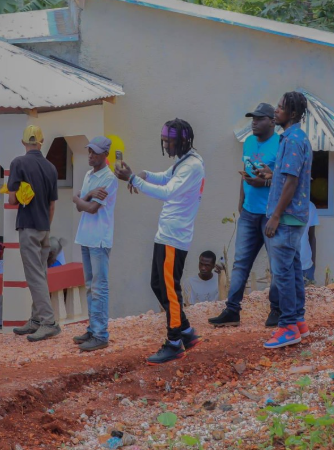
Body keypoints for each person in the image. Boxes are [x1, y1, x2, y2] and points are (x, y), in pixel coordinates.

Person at [115, 119, 205, 365]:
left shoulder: (192, 166)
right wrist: (144, 175)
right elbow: (165, 177)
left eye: (169, 141)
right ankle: (186, 331)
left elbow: (167, 191)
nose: (166, 145)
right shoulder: (184, 161)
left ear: (183, 140)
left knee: (169, 290)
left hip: (174, 237)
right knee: (158, 285)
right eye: (164, 140)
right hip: (166, 234)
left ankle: (175, 342)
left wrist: (133, 180)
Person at [209, 103, 281, 328]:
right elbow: (245, 171)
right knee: (240, 263)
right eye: (252, 118)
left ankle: (277, 310)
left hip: (270, 215)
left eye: (259, 119)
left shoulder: (281, 144)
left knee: (276, 265)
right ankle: (232, 311)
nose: (254, 122)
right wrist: (240, 201)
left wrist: (265, 182)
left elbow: (287, 180)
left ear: (272, 121)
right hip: (249, 213)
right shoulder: (249, 142)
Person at [263, 92, 313, 350]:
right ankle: (299, 322)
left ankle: (288, 327)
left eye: (281, 107)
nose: (276, 110)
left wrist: (275, 216)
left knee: (282, 273)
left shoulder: (293, 140)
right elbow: (288, 177)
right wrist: (272, 174)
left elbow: (292, 182)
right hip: (293, 217)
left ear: (292, 114)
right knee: (293, 270)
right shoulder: (294, 139)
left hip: (287, 218)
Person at [8, 125, 61, 342]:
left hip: (28, 226)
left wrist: (18, 193)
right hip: (44, 227)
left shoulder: (18, 163)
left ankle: (48, 322)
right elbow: (52, 206)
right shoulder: (51, 167)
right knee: (41, 273)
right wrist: (46, 227)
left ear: (23, 143)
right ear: (41, 142)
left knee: (34, 275)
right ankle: (37, 319)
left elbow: (12, 200)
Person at [72, 136, 119, 352]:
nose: (90, 155)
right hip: (86, 237)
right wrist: (84, 196)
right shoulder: (89, 175)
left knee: (99, 287)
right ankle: (93, 329)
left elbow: (89, 208)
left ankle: (101, 334)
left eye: (95, 152)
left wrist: (79, 198)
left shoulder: (109, 178)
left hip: (99, 239)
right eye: (89, 151)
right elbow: (81, 202)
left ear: (105, 155)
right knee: (90, 286)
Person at [301, 200, 319, 284]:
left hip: (307, 266)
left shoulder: (310, 206)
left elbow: (311, 236)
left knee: (309, 296)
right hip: (286, 267)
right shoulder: (281, 205)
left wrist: (313, 264)